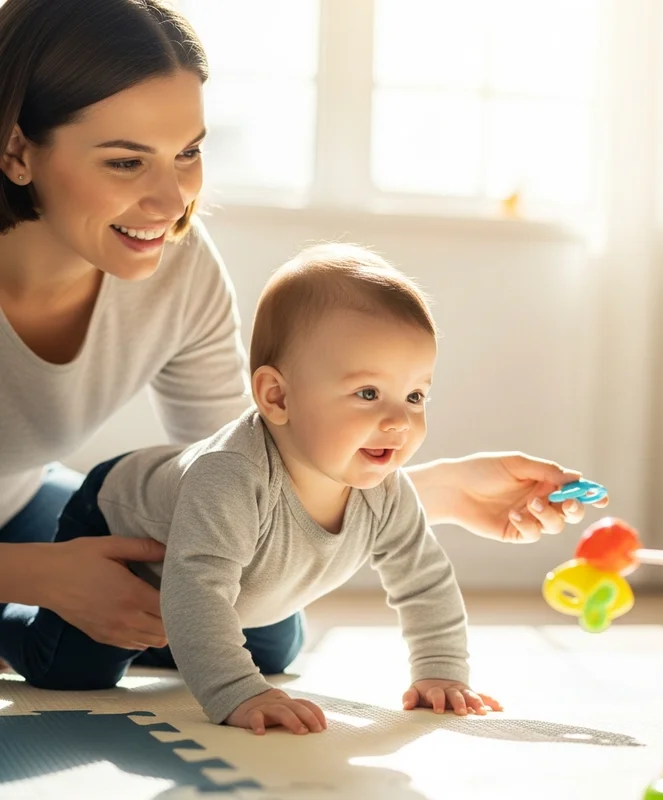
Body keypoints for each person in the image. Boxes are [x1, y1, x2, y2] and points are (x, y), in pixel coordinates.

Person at [0, 0, 607, 661]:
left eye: (188, 153)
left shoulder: (178, 263)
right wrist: (38, 577)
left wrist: (434, 492)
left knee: (266, 629)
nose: (173, 202)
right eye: (125, 162)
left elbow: (243, 471)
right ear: (17, 150)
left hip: (22, 505)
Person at [1, 244, 505, 736]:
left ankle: (179, 635)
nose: (399, 421)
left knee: (273, 652)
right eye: (368, 393)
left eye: (415, 395)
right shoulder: (232, 476)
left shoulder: (386, 488)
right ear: (277, 396)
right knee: (76, 669)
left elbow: (425, 578)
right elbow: (199, 585)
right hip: (119, 524)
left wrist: (441, 669)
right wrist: (236, 692)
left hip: (232, 583)